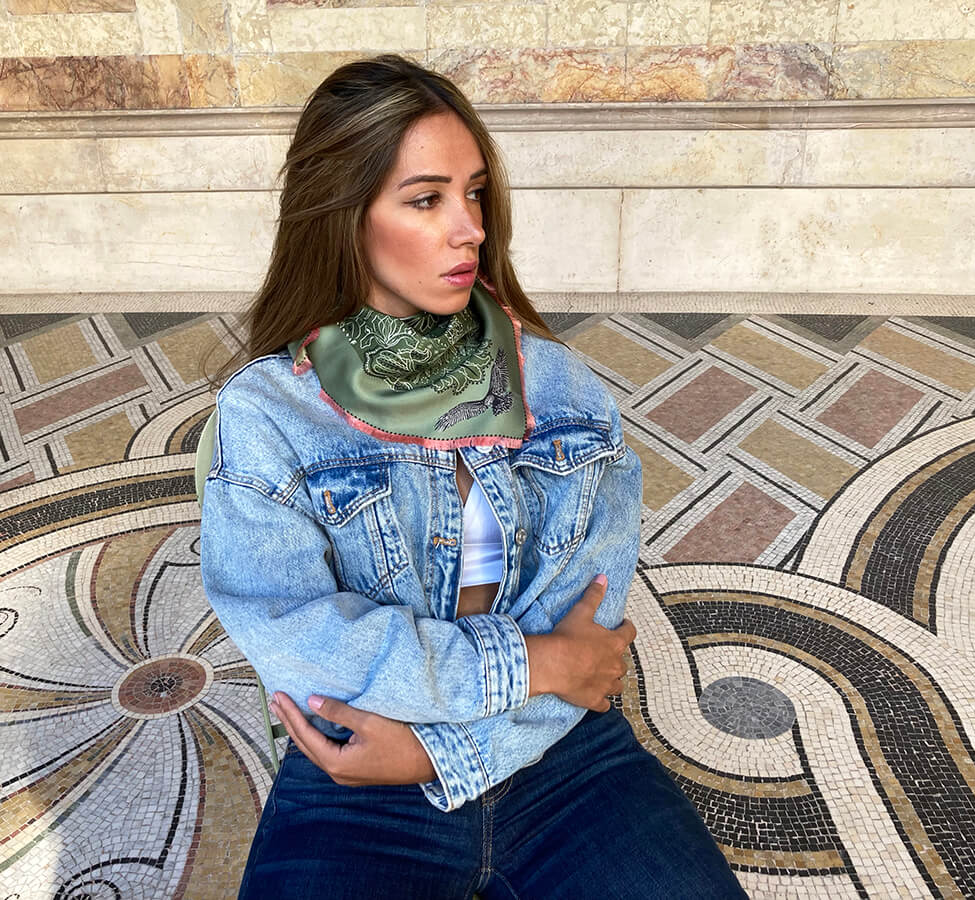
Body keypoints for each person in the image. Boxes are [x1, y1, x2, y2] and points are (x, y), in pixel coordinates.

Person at [199, 54, 745, 900]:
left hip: (558, 755)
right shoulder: (270, 411)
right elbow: (306, 644)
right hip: (359, 776)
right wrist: (536, 665)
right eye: (426, 199)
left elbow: (591, 641)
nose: (470, 228)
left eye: (476, 192)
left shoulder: (557, 384)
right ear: (345, 218)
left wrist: (434, 751)